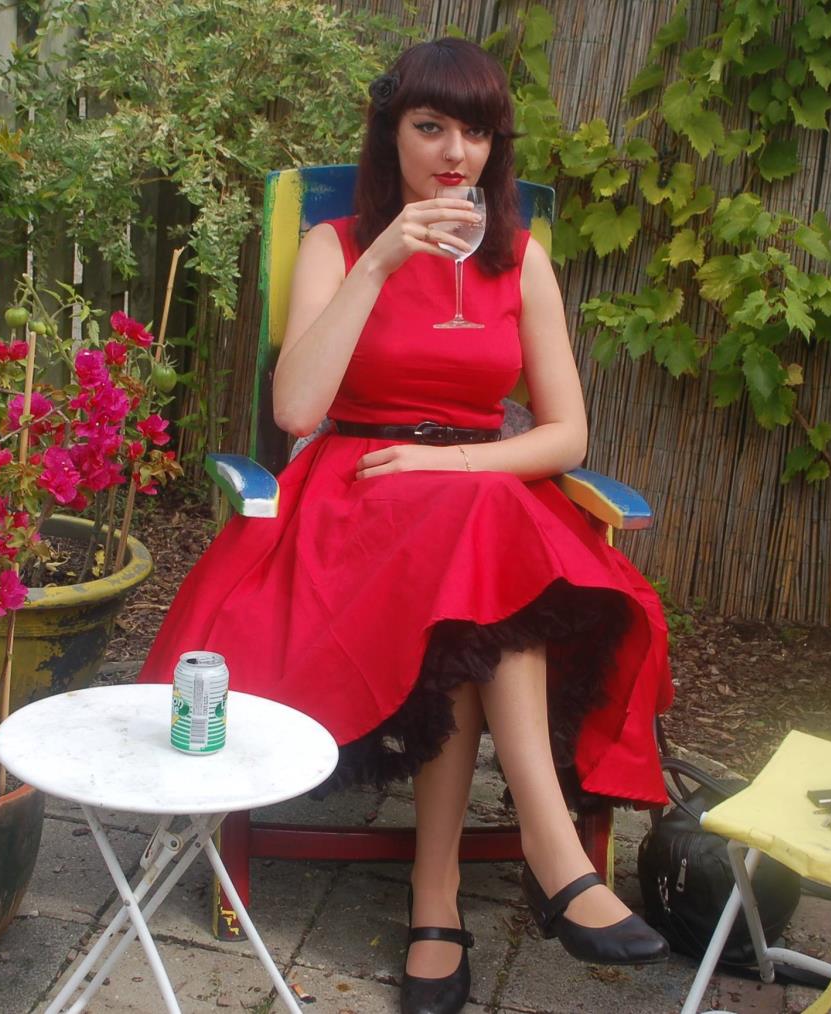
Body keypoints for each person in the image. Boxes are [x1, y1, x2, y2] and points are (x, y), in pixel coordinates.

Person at [139, 36, 673, 1014]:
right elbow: (298, 410)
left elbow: (565, 434)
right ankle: (549, 859)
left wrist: (452, 462)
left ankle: (440, 900)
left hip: (476, 492)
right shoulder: (336, 245)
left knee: (477, 551)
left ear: (495, 147)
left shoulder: (523, 264)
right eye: (431, 127)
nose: (455, 153)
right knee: (483, 554)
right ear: (391, 134)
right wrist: (382, 259)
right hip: (360, 496)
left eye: (477, 131)